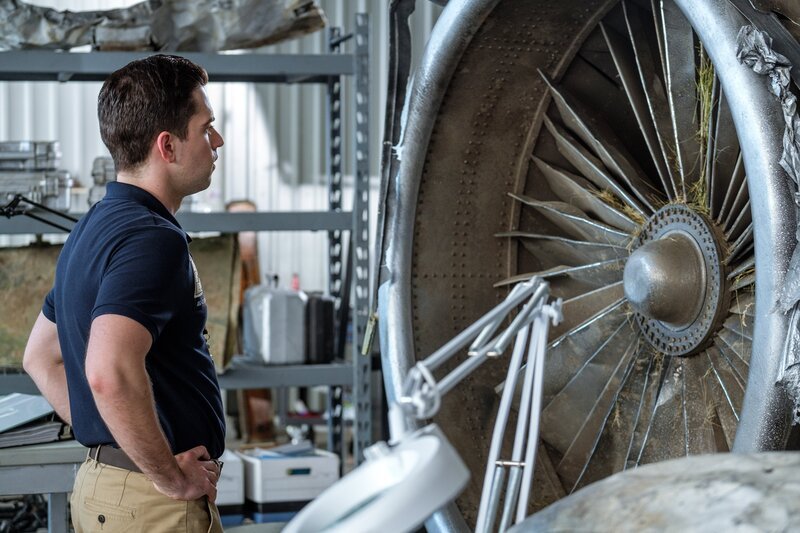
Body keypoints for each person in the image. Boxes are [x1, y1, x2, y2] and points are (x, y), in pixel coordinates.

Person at [22, 54, 226, 532]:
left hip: (115, 488)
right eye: (206, 127)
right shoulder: (152, 238)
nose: (217, 141)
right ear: (167, 146)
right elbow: (108, 372)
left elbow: (39, 356)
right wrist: (169, 476)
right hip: (150, 502)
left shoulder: (93, 226)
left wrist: (122, 440)